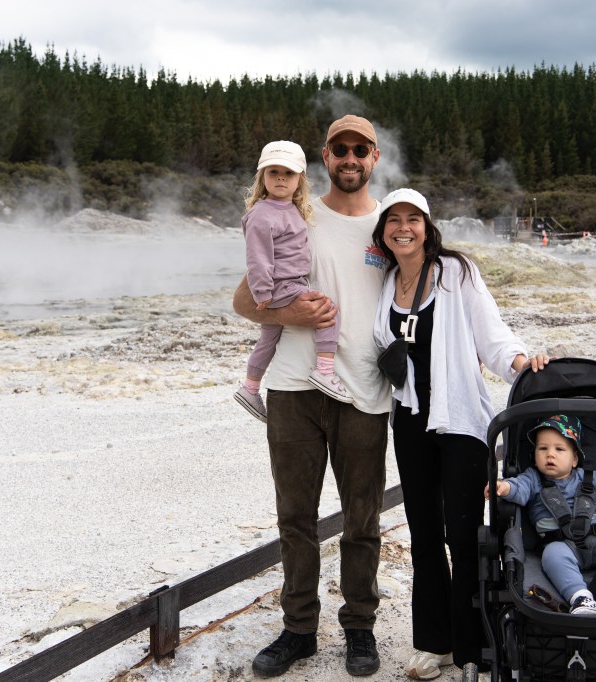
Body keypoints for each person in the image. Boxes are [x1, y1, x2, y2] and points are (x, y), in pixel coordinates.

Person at [232, 115, 392, 678]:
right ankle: (298, 629)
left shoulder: (392, 225)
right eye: (340, 149)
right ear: (324, 156)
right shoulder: (296, 213)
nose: (350, 159)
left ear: (375, 158)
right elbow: (242, 302)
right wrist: (287, 312)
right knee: (295, 516)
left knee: (362, 518)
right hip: (294, 388)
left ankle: (359, 627)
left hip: (365, 391)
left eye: (360, 150)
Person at [371, 188, 549, 680]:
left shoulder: (456, 274)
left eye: (413, 219)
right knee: (424, 534)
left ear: (427, 227)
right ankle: (434, 643)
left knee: (466, 537)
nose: (403, 228)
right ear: (383, 232)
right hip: (409, 421)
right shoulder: (387, 281)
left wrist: (522, 365)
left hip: (460, 421)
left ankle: (476, 645)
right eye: (393, 221)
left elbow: (491, 335)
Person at [491, 414, 596, 616]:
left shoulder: (591, 478)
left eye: (559, 449)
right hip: (559, 544)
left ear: (574, 459)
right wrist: (504, 487)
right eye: (542, 448)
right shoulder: (532, 479)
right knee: (552, 556)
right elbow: (518, 488)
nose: (550, 455)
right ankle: (581, 598)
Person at [234, 139, 353, 423]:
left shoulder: (291, 209)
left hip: (285, 284)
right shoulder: (262, 214)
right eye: (273, 172)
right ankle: (324, 371)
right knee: (327, 310)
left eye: (288, 173)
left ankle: (250, 387)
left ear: (300, 179)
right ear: (262, 176)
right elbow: (257, 258)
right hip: (284, 285)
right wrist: (262, 293)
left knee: (268, 339)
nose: (280, 179)